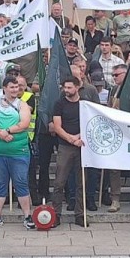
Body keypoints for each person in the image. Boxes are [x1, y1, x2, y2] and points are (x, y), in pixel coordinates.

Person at [0, 75, 34, 230]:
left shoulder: (22, 104)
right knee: (0, 184)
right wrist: (1, 134)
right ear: (4, 88)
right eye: (11, 87)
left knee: (21, 182)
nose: (15, 90)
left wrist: (7, 130)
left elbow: (24, 123)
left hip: (18, 151)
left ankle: (27, 215)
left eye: (17, 87)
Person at [49, 76, 88, 228]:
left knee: (81, 182)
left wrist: (78, 137)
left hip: (82, 145)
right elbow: (57, 126)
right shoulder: (59, 103)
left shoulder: (85, 104)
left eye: (70, 87)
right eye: (65, 87)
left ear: (77, 87)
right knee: (59, 182)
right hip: (65, 146)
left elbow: (89, 122)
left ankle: (80, 214)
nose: (66, 90)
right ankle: (56, 214)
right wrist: (71, 139)